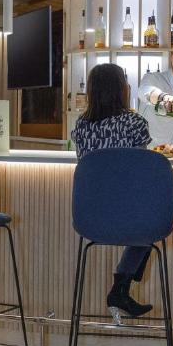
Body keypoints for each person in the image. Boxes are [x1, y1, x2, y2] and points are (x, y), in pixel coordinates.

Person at [71, 63, 153, 318]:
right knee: (151, 223)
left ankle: (121, 290)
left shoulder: (81, 126)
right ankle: (120, 287)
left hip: (90, 216)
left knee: (146, 222)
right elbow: (141, 170)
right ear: (122, 89)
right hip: (129, 216)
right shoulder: (135, 123)